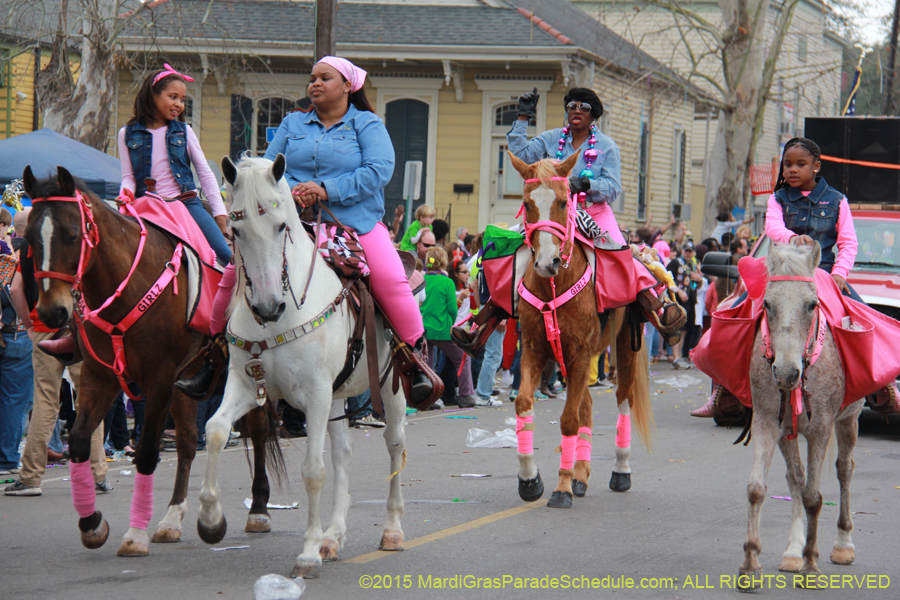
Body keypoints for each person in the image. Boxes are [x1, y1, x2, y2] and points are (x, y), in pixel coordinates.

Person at [260, 56, 438, 406]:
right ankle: (216, 351)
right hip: (297, 222)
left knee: (389, 279)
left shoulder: (367, 124)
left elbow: (379, 170)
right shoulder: (292, 123)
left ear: (347, 86)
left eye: (325, 78)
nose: (315, 83)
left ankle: (415, 359)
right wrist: (297, 189)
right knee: (240, 268)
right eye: (312, 78)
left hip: (355, 224)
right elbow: (270, 168)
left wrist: (325, 189)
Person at [453, 87, 684, 354]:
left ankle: (660, 310)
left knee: (622, 254)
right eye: (572, 105)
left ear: (593, 115)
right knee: (512, 252)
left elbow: (613, 186)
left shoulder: (607, 146)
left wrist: (586, 182)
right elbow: (522, 155)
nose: (577, 110)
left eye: (584, 107)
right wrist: (523, 118)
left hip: (593, 212)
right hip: (553, 215)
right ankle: (480, 324)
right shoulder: (551, 139)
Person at [693, 136, 898, 417]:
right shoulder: (777, 199)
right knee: (734, 314)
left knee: (864, 319)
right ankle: (723, 390)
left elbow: (849, 243)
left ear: (816, 166)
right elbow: (774, 228)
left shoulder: (839, 201)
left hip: (823, 277)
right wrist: (792, 239)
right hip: (779, 276)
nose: (792, 170)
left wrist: (839, 274)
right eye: (787, 164)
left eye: (800, 164)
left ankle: (882, 386)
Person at [4, 236, 110, 496]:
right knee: (89, 398)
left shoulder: (29, 244)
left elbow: (16, 288)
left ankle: (31, 478)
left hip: (42, 325)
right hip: (79, 326)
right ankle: (98, 473)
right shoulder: (75, 237)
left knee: (45, 401)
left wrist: (29, 325)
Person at [420, 247, 478, 408]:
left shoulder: (422, 279)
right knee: (462, 359)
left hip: (423, 327)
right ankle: (466, 396)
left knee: (427, 364)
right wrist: (451, 323)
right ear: (444, 262)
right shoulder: (447, 282)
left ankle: (428, 398)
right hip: (442, 329)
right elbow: (453, 309)